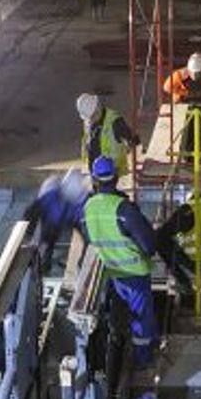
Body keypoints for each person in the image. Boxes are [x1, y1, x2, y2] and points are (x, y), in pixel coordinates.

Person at [80, 157, 160, 366]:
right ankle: (144, 360)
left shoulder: (87, 208)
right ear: (116, 178)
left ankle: (119, 353)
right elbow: (149, 245)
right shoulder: (123, 209)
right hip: (134, 274)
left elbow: (89, 238)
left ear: (95, 180)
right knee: (141, 318)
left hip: (111, 273)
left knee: (119, 316)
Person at [155, 191, 201, 291]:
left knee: (160, 241)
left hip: (198, 264)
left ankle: (183, 282)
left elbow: (164, 233)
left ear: (190, 199)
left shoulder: (189, 209)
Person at [22, 168, 90, 269]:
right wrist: (28, 234)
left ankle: (42, 262)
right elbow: (31, 213)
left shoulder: (79, 201)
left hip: (63, 218)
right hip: (54, 219)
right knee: (46, 239)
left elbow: (83, 226)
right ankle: (40, 263)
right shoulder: (49, 196)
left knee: (47, 239)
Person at [164, 52, 201, 155]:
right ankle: (188, 155)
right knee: (187, 133)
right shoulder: (179, 75)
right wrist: (185, 93)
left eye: (198, 73)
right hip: (185, 107)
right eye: (193, 72)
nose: (195, 75)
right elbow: (167, 88)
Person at [78, 93, 140, 180]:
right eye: (89, 118)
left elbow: (132, 139)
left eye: (92, 117)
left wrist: (131, 141)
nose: (90, 121)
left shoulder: (115, 122)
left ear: (98, 108)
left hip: (111, 171)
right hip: (94, 170)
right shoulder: (89, 121)